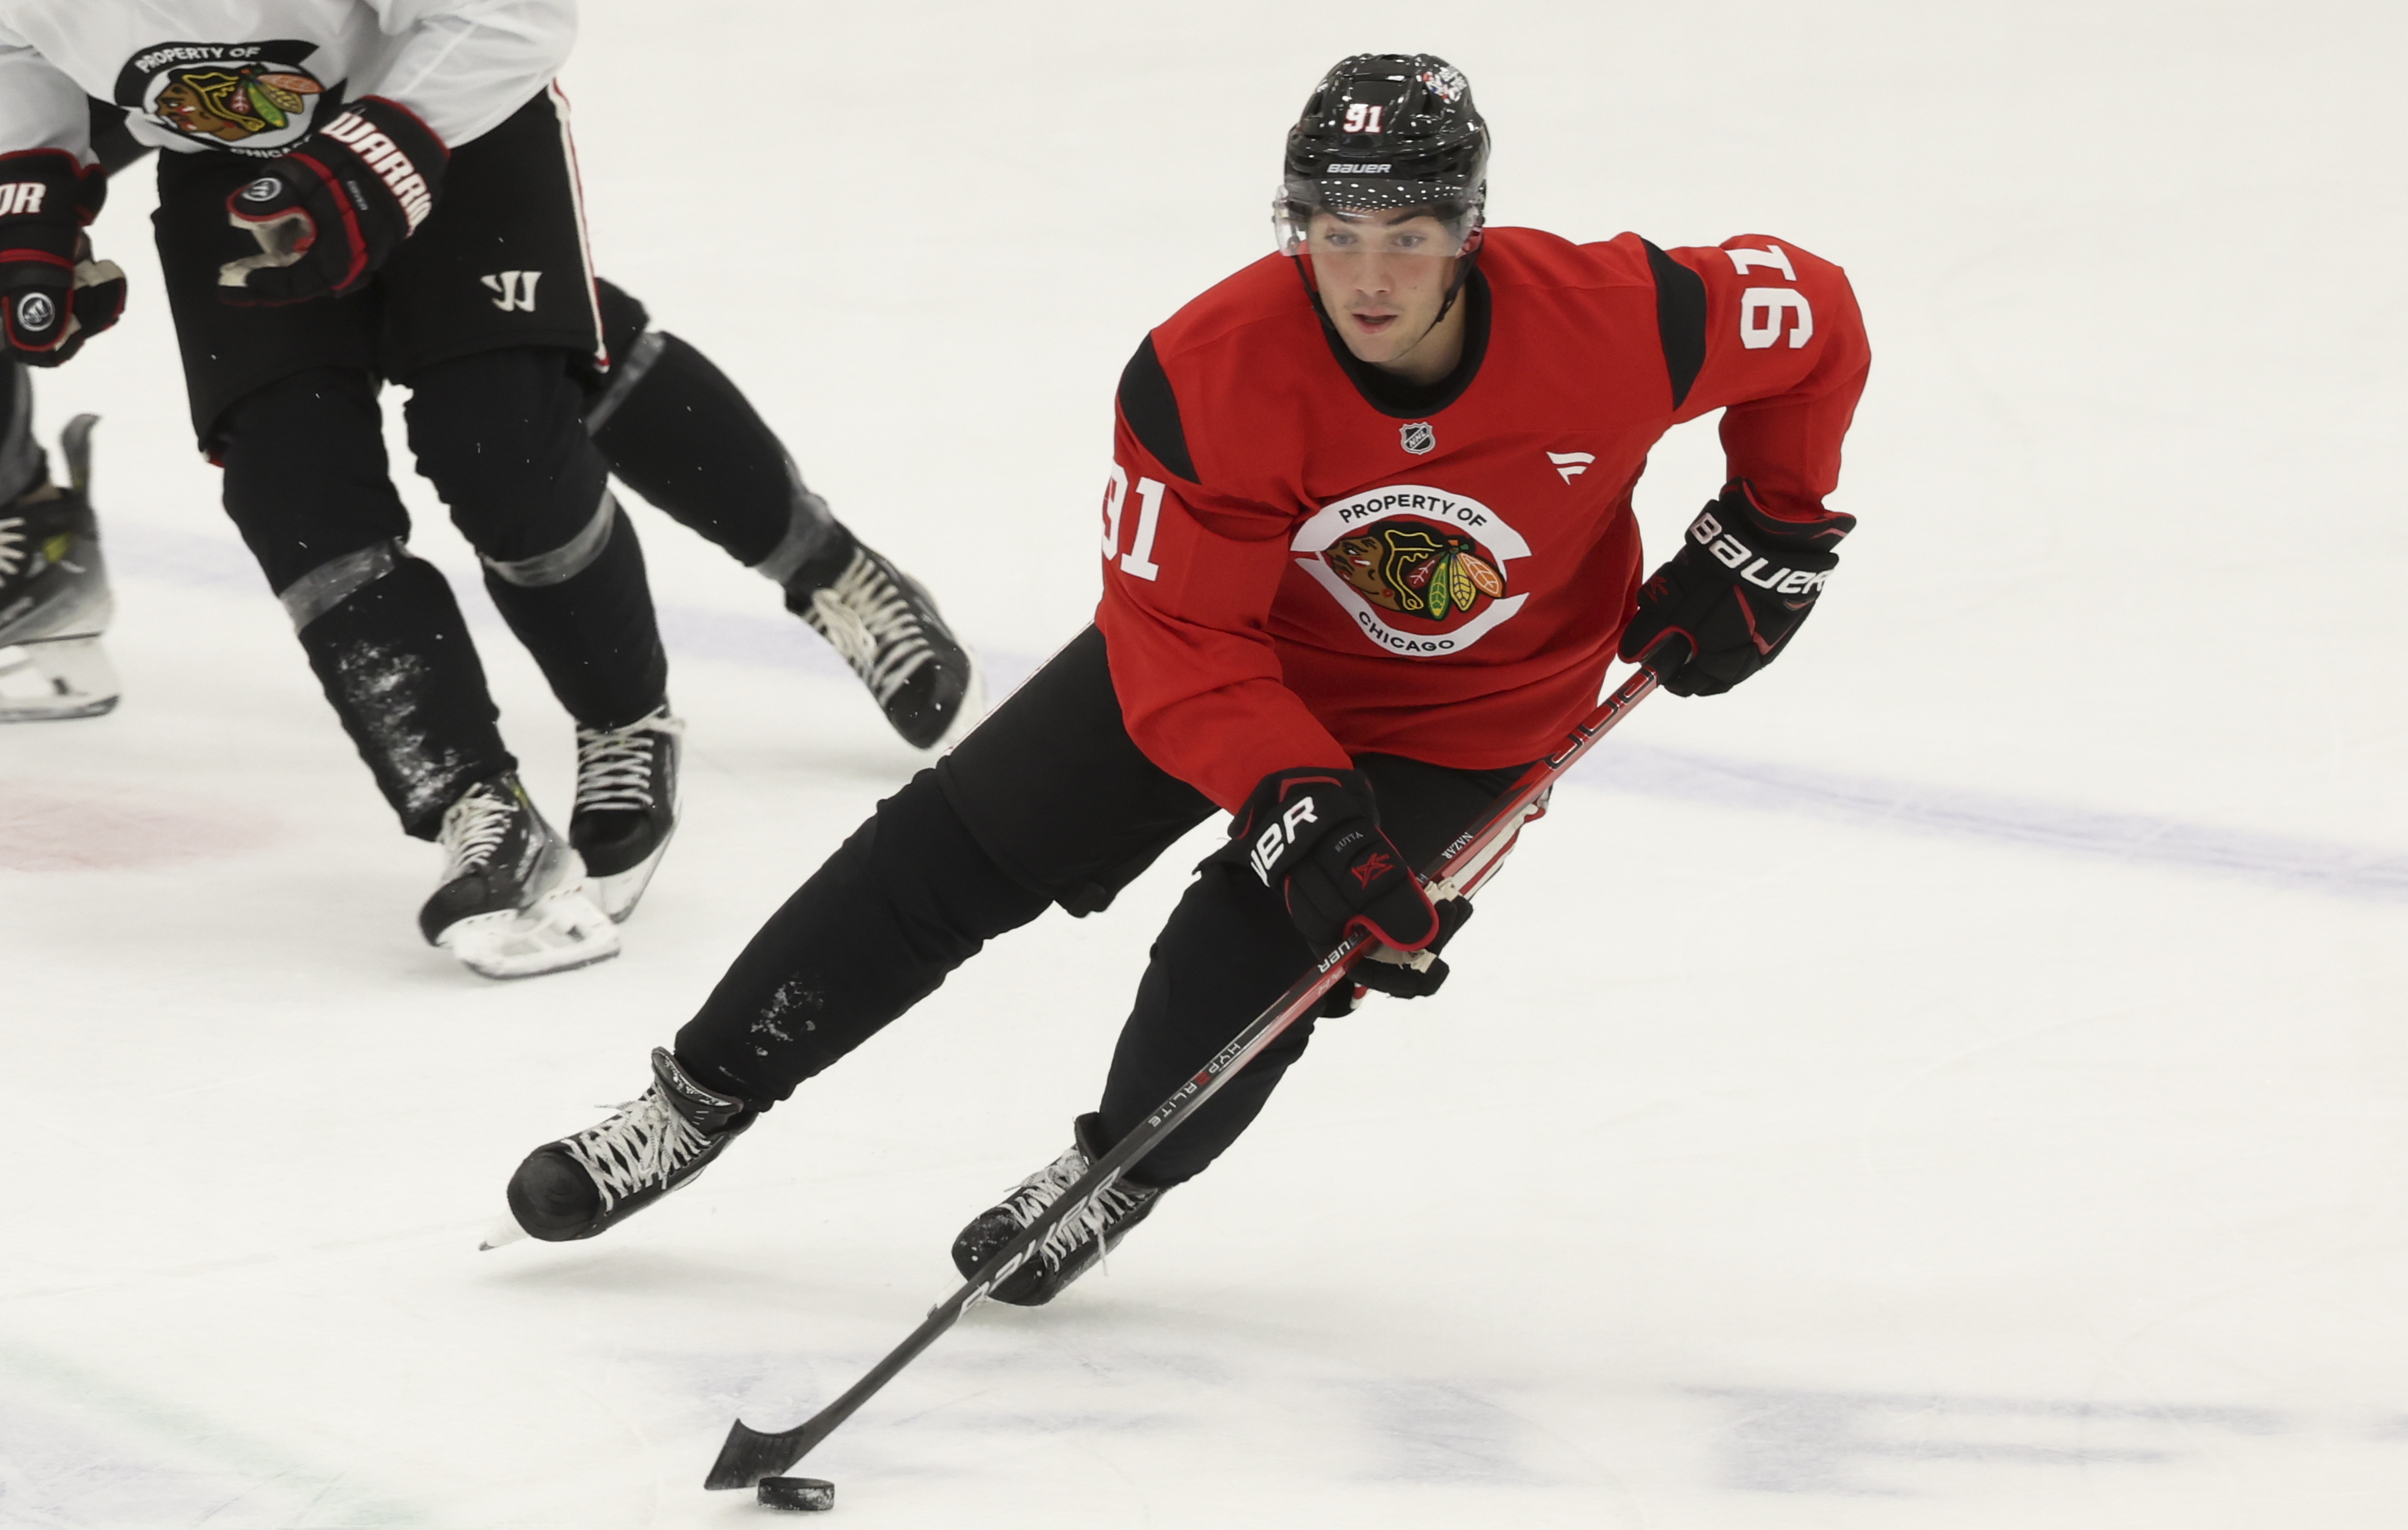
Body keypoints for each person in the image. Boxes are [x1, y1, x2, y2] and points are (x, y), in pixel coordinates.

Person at [498, 52, 1871, 1298]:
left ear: (1468, 228)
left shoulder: (1624, 317)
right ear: (1297, 230)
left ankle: (1119, 1170)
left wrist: (1777, 522)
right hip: (1225, 664)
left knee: (1265, 949)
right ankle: (694, 1099)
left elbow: (1817, 317)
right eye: (1337, 237)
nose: (1373, 278)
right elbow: (1182, 639)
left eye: (1409, 235)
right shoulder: (1208, 373)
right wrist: (1287, 789)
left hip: (1475, 720)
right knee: (953, 848)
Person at [0, 9, 976, 978]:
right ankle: (475, 806)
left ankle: (656, 697)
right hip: (225, 159)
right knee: (287, 480)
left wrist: (380, 156)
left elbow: (514, 15)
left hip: (448, 110)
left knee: (500, 435)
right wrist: (27, 193)